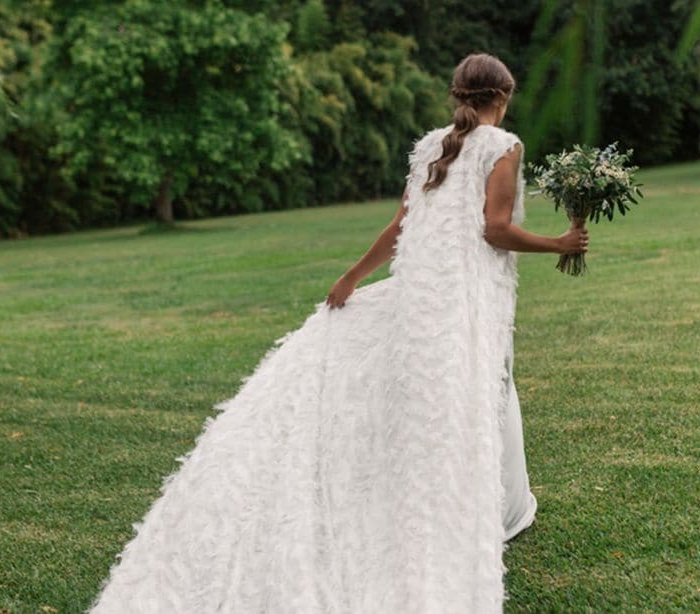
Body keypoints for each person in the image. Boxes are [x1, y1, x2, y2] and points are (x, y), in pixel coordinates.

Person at [88, 52, 588, 613]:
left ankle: (498, 506)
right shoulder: (504, 146)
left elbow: (402, 224)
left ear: (456, 95)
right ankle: (469, 513)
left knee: (455, 397)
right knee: (469, 400)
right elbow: (494, 231)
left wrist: (353, 276)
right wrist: (559, 244)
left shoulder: (430, 145)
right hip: (464, 296)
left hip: (420, 290)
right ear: (505, 95)